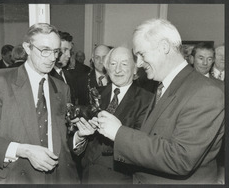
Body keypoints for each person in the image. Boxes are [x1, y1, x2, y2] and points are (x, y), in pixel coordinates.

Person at [85, 19, 224, 184]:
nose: (140, 63)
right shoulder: (162, 86)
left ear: (164, 47)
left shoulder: (205, 91)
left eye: (142, 54)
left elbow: (181, 158)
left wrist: (118, 133)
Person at [0, 23, 79, 184]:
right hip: (17, 177)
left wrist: (80, 136)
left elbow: (63, 140)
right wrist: (23, 150)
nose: (52, 58)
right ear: (27, 48)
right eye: (45, 50)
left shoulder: (62, 88)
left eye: (56, 51)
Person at [72, 46, 153, 183]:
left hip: (119, 178)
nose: (117, 69)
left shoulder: (147, 100)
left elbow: (143, 147)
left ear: (135, 69)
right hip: (86, 176)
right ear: (107, 68)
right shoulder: (95, 93)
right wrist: (79, 138)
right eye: (113, 64)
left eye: (124, 64)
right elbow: (81, 133)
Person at [49, 31, 76, 104]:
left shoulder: (68, 75)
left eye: (70, 51)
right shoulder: (48, 76)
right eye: (65, 50)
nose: (69, 55)